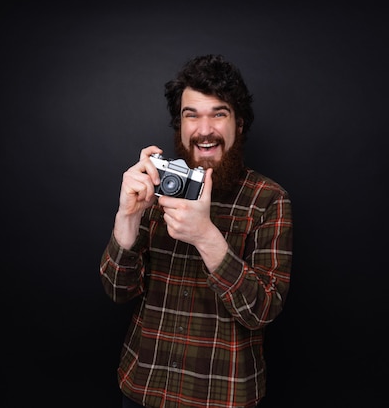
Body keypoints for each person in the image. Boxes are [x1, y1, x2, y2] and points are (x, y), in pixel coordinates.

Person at [99, 54, 293, 408]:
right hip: (144, 387)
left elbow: (262, 310)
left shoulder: (269, 200)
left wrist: (206, 236)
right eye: (192, 116)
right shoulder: (157, 186)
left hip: (220, 398)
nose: (205, 130)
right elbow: (117, 290)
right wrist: (126, 218)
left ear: (240, 123)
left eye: (218, 114)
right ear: (180, 125)